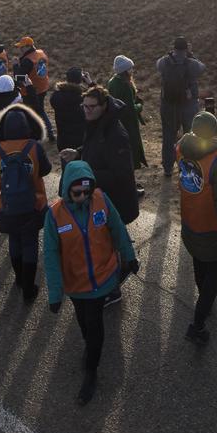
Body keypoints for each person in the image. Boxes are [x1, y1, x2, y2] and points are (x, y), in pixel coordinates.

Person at [44, 160, 140, 405]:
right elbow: (51, 256)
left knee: (95, 326)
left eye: (87, 191)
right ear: (66, 189)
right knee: (84, 321)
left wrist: (129, 256)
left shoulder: (101, 200)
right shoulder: (54, 215)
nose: (83, 196)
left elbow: (118, 229)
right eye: (77, 192)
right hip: (76, 285)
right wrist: (55, 294)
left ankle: (91, 372)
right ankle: (89, 345)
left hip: (102, 280)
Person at [177, 109, 217, 345]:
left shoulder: (181, 149)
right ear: (215, 133)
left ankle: (203, 305)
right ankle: (198, 324)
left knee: (199, 264)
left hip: (189, 223)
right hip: (213, 229)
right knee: (213, 277)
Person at [0, 102, 52, 303]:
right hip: (33, 203)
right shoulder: (34, 147)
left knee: (14, 240)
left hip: (6, 205)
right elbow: (46, 170)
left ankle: (19, 278)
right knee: (30, 242)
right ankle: (28, 287)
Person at [61, 85, 139, 232]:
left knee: (113, 244)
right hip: (100, 197)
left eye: (91, 107)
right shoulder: (96, 123)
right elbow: (95, 147)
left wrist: (86, 174)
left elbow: (122, 174)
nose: (87, 110)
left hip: (115, 202)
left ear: (103, 106)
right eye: (84, 106)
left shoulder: (116, 135)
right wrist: (78, 153)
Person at [156, 36, 206, 177]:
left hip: (168, 106)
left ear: (174, 48)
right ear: (186, 48)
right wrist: (191, 55)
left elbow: (157, 64)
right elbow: (203, 68)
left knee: (168, 136)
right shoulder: (192, 63)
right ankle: (189, 166)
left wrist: (169, 55)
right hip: (188, 106)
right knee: (189, 135)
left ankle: (167, 168)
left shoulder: (165, 62)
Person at [106, 55, 147, 180]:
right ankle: (131, 182)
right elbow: (130, 109)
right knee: (131, 151)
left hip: (118, 121)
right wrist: (139, 105)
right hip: (129, 124)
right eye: (130, 68)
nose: (132, 70)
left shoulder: (112, 82)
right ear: (125, 70)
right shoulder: (125, 85)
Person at [15, 36, 55, 143]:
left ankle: (35, 135)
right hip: (43, 87)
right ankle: (50, 132)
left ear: (28, 46)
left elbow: (18, 78)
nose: (20, 49)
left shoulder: (27, 60)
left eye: (22, 47)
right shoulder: (40, 53)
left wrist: (15, 66)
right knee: (40, 110)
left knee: (32, 112)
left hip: (31, 91)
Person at [50, 66, 89, 152]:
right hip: (80, 142)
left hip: (63, 141)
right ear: (81, 80)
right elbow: (102, 98)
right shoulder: (82, 98)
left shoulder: (56, 96)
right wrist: (90, 84)